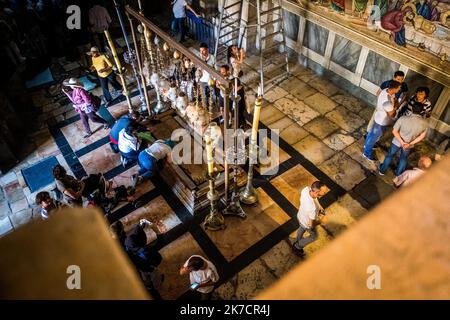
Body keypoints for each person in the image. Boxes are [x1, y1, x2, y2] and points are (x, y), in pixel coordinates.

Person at [378, 103, 428, 176]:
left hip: (397, 141)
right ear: (421, 111)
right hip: (408, 145)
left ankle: (382, 170)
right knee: (403, 158)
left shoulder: (403, 118)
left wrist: (402, 142)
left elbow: (394, 131)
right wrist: (409, 144)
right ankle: (398, 174)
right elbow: (421, 136)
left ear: (411, 109)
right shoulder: (425, 123)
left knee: (390, 155)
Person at [363, 81, 401, 162]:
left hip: (379, 118)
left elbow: (395, 99)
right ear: (394, 88)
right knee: (373, 137)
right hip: (381, 122)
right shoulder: (386, 101)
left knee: (371, 135)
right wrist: (395, 108)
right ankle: (367, 153)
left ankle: (367, 146)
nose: (399, 89)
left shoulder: (387, 90)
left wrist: (395, 104)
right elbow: (392, 115)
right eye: (399, 88)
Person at [291, 181, 327, 258]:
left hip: (300, 216)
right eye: (323, 192)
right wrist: (321, 221)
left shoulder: (306, 189)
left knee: (301, 228)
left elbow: (315, 198)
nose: (325, 193)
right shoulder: (312, 208)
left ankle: (298, 240)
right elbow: (311, 224)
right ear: (317, 192)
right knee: (314, 236)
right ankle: (297, 246)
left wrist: (319, 206)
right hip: (307, 223)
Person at [198, 43, 215, 108]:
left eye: (203, 50)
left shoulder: (212, 57)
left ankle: (213, 106)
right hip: (202, 80)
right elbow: (196, 66)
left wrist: (215, 79)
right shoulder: (198, 57)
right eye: (200, 51)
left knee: (213, 94)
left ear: (207, 50)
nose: (202, 52)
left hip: (211, 80)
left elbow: (216, 69)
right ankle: (206, 107)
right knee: (204, 95)